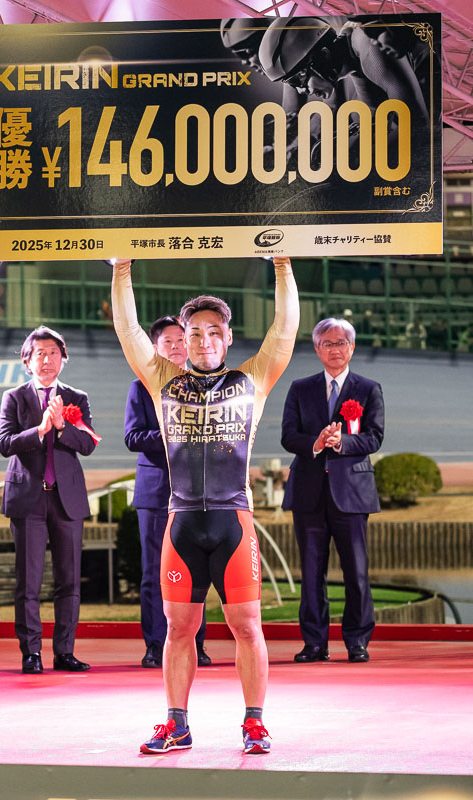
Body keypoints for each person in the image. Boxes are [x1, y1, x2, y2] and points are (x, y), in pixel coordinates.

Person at [112, 257, 299, 756]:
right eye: (194, 333)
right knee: (178, 629)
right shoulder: (161, 380)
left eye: (214, 332)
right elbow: (128, 330)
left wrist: (282, 265)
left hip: (232, 520)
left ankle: (254, 723)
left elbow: (284, 330)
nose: (204, 341)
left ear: (228, 338)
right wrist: (121, 270)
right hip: (182, 525)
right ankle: (177, 725)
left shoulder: (253, 379)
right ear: (184, 340)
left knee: (247, 626)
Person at [280, 317, 384, 665]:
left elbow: (374, 437)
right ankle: (314, 643)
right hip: (308, 492)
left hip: (351, 493)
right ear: (317, 348)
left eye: (341, 343)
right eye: (328, 343)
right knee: (311, 573)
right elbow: (288, 436)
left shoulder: (368, 388)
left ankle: (357, 641)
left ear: (351, 348)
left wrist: (342, 442)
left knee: (356, 572)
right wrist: (317, 442)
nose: (335, 349)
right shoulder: (300, 388)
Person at [0, 326, 96, 675]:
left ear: (63, 358)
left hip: (67, 500)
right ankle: (31, 652)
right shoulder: (14, 397)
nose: (47, 359)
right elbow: (4, 443)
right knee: (29, 581)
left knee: (69, 580)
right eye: (40, 353)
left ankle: (65, 652)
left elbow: (88, 444)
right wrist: (39, 430)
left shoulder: (77, 398)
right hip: (28, 498)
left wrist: (61, 427)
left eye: (54, 353)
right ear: (27, 361)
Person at [123, 316, 210, 670]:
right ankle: (156, 644)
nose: (175, 347)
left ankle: (196, 644)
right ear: (155, 348)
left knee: (197, 570)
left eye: (180, 340)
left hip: (199, 492)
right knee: (154, 572)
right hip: (156, 490)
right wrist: (173, 433)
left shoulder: (206, 385)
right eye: (167, 342)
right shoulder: (141, 386)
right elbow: (133, 437)